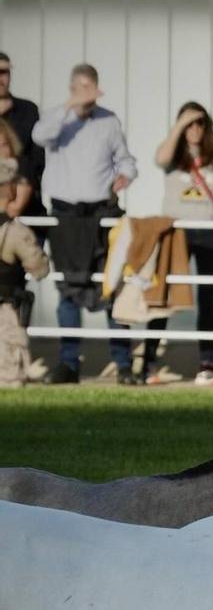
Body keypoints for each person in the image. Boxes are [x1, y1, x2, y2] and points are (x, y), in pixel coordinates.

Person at [33, 63, 137, 384]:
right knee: (68, 288)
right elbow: (39, 136)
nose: (89, 96)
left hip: (102, 214)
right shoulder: (56, 120)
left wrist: (126, 175)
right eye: (82, 88)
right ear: (73, 88)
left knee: (111, 286)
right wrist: (71, 105)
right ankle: (69, 364)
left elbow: (126, 159)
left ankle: (123, 364)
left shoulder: (108, 120)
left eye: (92, 88)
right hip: (65, 216)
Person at [146, 102, 213, 386]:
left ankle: (207, 363)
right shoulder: (173, 153)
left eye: (199, 123)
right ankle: (148, 363)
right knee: (164, 294)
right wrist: (179, 126)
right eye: (188, 123)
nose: (194, 129)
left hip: (209, 230)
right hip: (176, 230)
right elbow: (160, 157)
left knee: (207, 296)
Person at [0, 155, 50, 385]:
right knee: (9, 376)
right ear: (8, 189)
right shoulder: (15, 232)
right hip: (7, 314)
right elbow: (39, 268)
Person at [0, 52, 41, 213]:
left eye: (4, 72)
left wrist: (22, 187)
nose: (1, 79)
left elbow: (37, 158)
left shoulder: (28, 110)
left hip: (25, 205)